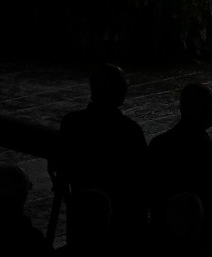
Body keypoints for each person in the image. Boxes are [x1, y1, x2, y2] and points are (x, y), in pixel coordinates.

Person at [52, 64, 146, 243]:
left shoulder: (72, 123)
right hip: (119, 222)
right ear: (117, 91)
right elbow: (140, 182)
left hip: (81, 216)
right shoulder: (129, 131)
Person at [146, 82, 212, 257]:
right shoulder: (211, 154)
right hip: (202, 247)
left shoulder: (158, 145)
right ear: (206, 111)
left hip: (163, 241)